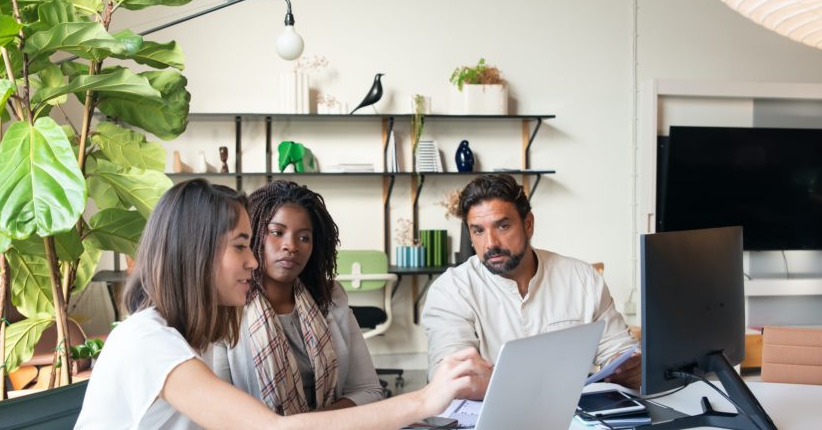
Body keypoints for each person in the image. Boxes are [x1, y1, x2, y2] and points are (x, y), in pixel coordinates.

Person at [76, 179, 476, 430]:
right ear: (195, 253)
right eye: (240, 246)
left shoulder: (188, 332)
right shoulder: (149, 341)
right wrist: (425, 399)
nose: (253, 260)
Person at [421, 174, 640, 400]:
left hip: (574, 416)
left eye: (503, 226)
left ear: (528, 225)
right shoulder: (450, 291)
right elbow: (451, 378)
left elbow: (619, 350)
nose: (491, 243)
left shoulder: (582, 278)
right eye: (478, 230)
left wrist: (627, 367)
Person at [212, 180, 382, 413]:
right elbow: (220, 411)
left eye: (304, 237)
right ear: (253, 235)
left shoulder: (330, 298)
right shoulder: (228, 306)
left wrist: (310, 424)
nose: (290, 246)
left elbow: (369, 391)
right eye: (277, 232)